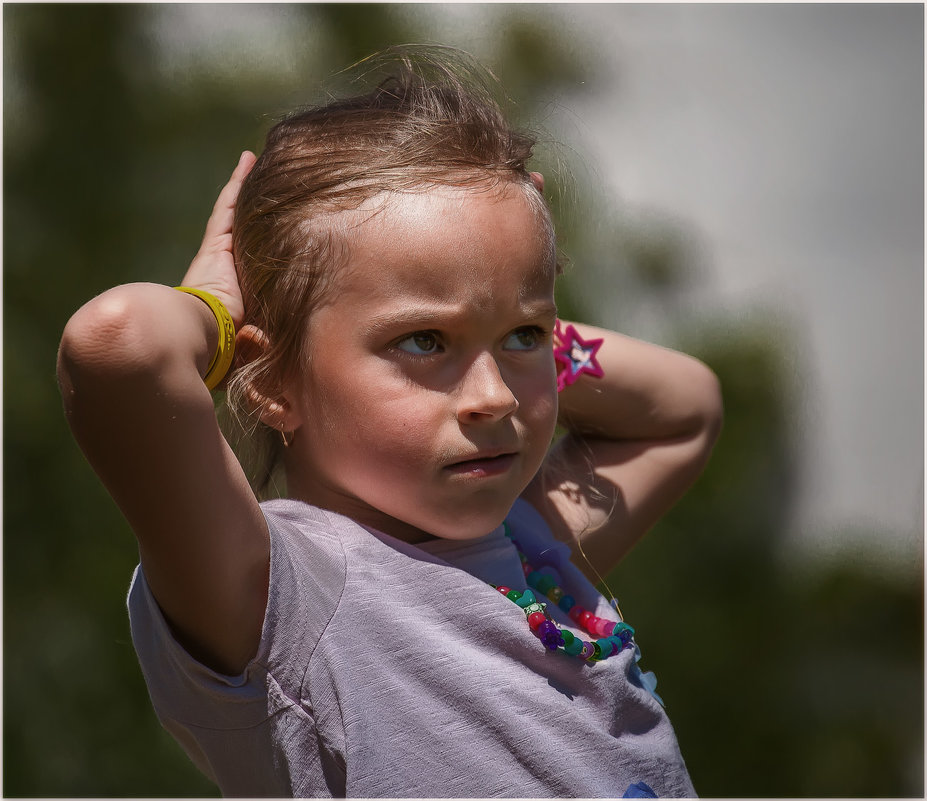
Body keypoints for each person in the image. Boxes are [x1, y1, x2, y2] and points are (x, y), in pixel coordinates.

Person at [57, 49, 722, 798]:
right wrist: (214, 304)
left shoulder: (530, 542)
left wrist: (496, 296)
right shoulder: (287, 599)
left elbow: (684, 403)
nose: (494, 398)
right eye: (423, 341)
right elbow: (118, 344)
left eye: (525, 340)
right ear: (273, 381)